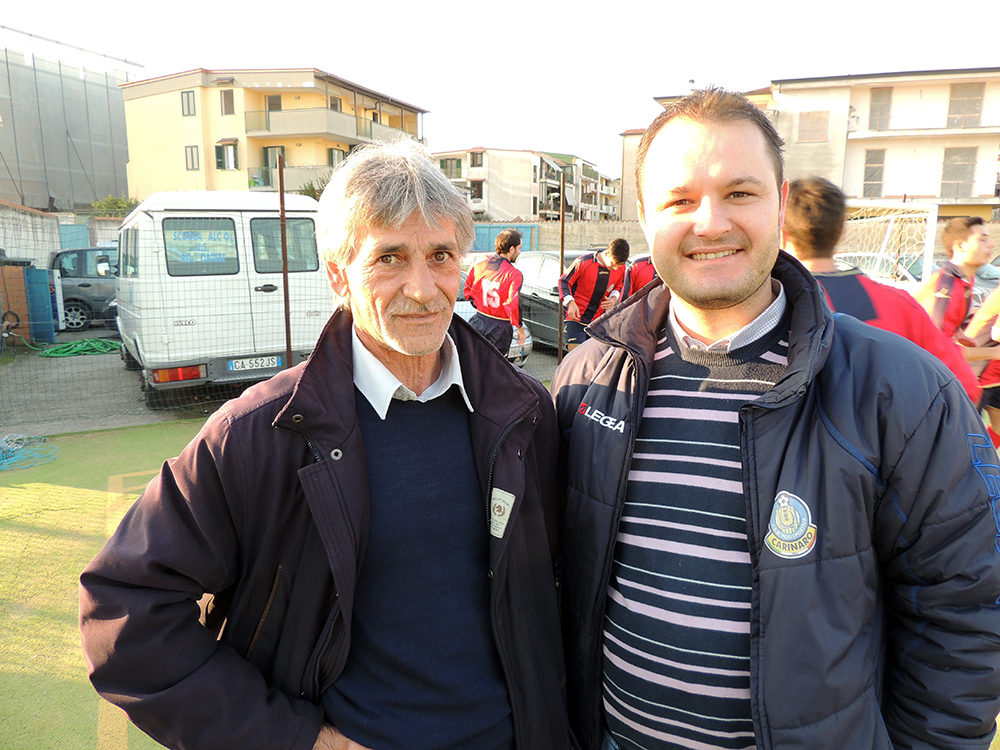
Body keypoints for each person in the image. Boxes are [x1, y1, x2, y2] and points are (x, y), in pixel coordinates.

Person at [80, 139, 569, 750]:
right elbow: (126, 609)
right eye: (388, 257)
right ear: (338, 274)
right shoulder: (260, 434)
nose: (422, 288)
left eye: (440, 255)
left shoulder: (524, 413)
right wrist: (301, 741)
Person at [552, 87, 1000, 750]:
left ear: (781, 205)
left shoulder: (899, 390)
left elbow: (965, 609)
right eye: (680, 200)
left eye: (740, 193)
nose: (709, 222)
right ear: (646, 215)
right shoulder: (587, 377)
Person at [782, 175, 982, 405]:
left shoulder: (771, 307)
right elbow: (964, 387)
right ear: (840, 232)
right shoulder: (900, 305)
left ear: (782, 235)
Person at [914, 216, 995, 339]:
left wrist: (960, 335)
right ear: (960, 245)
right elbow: (935, 346)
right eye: (982, 239)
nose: (991, 244)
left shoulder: (965, 280)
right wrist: (992, 353)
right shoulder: (946, 285)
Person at [463, 227, 527, 354]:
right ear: (511, 249)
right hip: (500, 327)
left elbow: (468, 293)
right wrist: (519, 328)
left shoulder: (478, 267)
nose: (520, 253)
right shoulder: (514, 274)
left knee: (473, 363)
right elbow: (513, 303)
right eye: (519, 248)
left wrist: (483, 307)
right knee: (496, 368)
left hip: (478, 321)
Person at [559, 238, 629, 349]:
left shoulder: (621, 268)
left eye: (618, 266)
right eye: (613, 263)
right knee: (577, 356)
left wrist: (613, 298)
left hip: (598, 322)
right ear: (606, 254)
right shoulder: (583, 262)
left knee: (594, 360)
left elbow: (619, 285)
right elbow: (564, 281)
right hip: (576, 318)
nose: (615, 268)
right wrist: (570, 302)